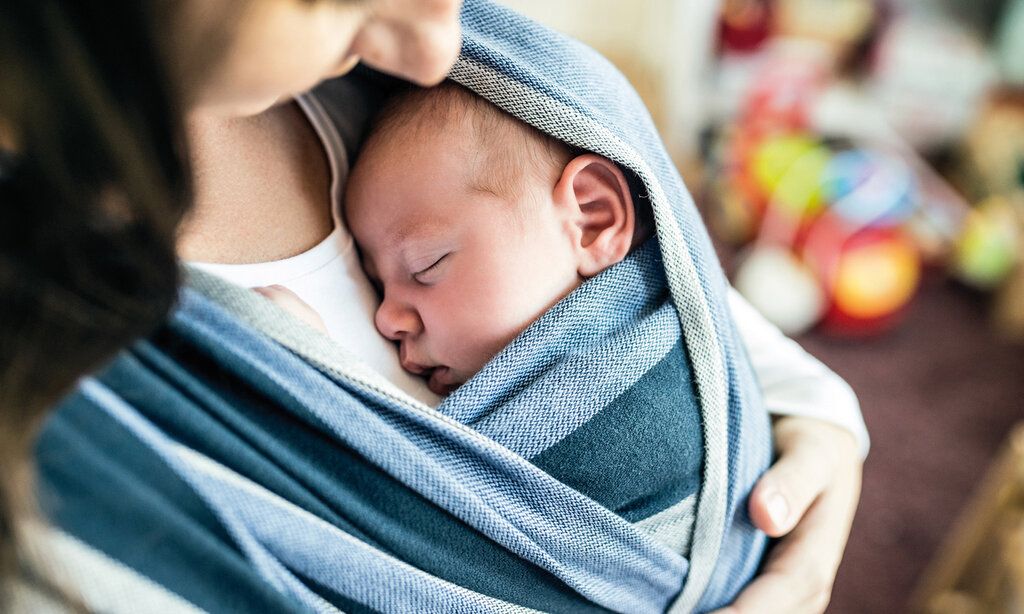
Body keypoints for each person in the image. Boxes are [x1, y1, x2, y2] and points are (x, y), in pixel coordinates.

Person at [0, 1, 864, 612]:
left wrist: (821, 414)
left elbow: (660, 282)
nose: (434, 41)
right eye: (331, 0)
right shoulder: (62, 396)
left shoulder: (463, 92)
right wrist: (321, 397)